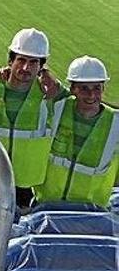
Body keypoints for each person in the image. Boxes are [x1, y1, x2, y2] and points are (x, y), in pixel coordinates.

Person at [0, 29, 58, 207]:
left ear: (41, 66)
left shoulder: (52, 94)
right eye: (21, 60)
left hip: (23, 184)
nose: (25, 68)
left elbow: (87, 98)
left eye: (33, 62)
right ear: (10, 61)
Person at [33, 56, 119, 208]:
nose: (91, 95)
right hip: (46, 206)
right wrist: (43, 71)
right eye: (84, 88)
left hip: (91, 215)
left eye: (96, 88)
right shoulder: (56, 108)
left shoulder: (115, 124)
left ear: (103, 89)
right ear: (73, 89)